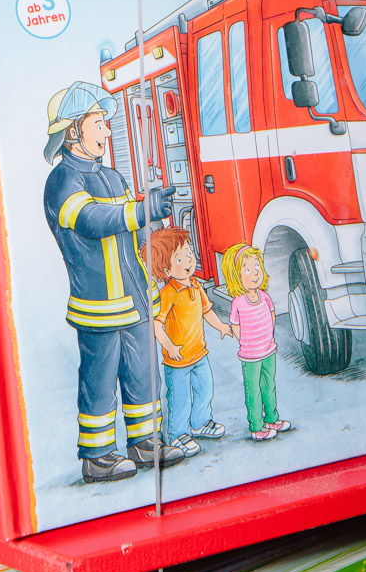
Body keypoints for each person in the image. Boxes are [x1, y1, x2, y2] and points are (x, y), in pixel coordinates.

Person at [42, 81, 184, 483]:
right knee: (100, 381)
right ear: (73, 131)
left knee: (143, 374)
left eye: (106, 123)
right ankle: (98, 456)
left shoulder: (114, 177)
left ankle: (145, 444)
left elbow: (133, 237)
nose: (107, 131)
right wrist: (140, 211)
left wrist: (153, 258)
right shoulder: (62, 182)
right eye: (99, 123)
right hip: (99, 307)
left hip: (136, 302)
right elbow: (93, 221)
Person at [148, 227, 231, 457]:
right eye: (179, 258)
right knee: (180, 399)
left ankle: (200, 423)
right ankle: (178, 434)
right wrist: (169, 347)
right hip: (177, 362)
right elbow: (157, 325)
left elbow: (207, 311)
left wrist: (221, 326)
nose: (188, 260)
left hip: (199, 354)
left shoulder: (196, 285)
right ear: (167, 270)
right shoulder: (168, 294)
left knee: (205, 390)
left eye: (189, 253)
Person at [222, 242, 291, 441]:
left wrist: (269, 336)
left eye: (257, 267)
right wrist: (245, 341)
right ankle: (256, 426)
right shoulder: (238, 302)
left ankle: (272, 419)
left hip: (268, 350)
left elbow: (272, 315)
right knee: (253, 390)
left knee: (269, 385)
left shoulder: (265, 296)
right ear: (236, 276)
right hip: (250, 356)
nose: (254, 273)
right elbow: (235, 325)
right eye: (247, 270)